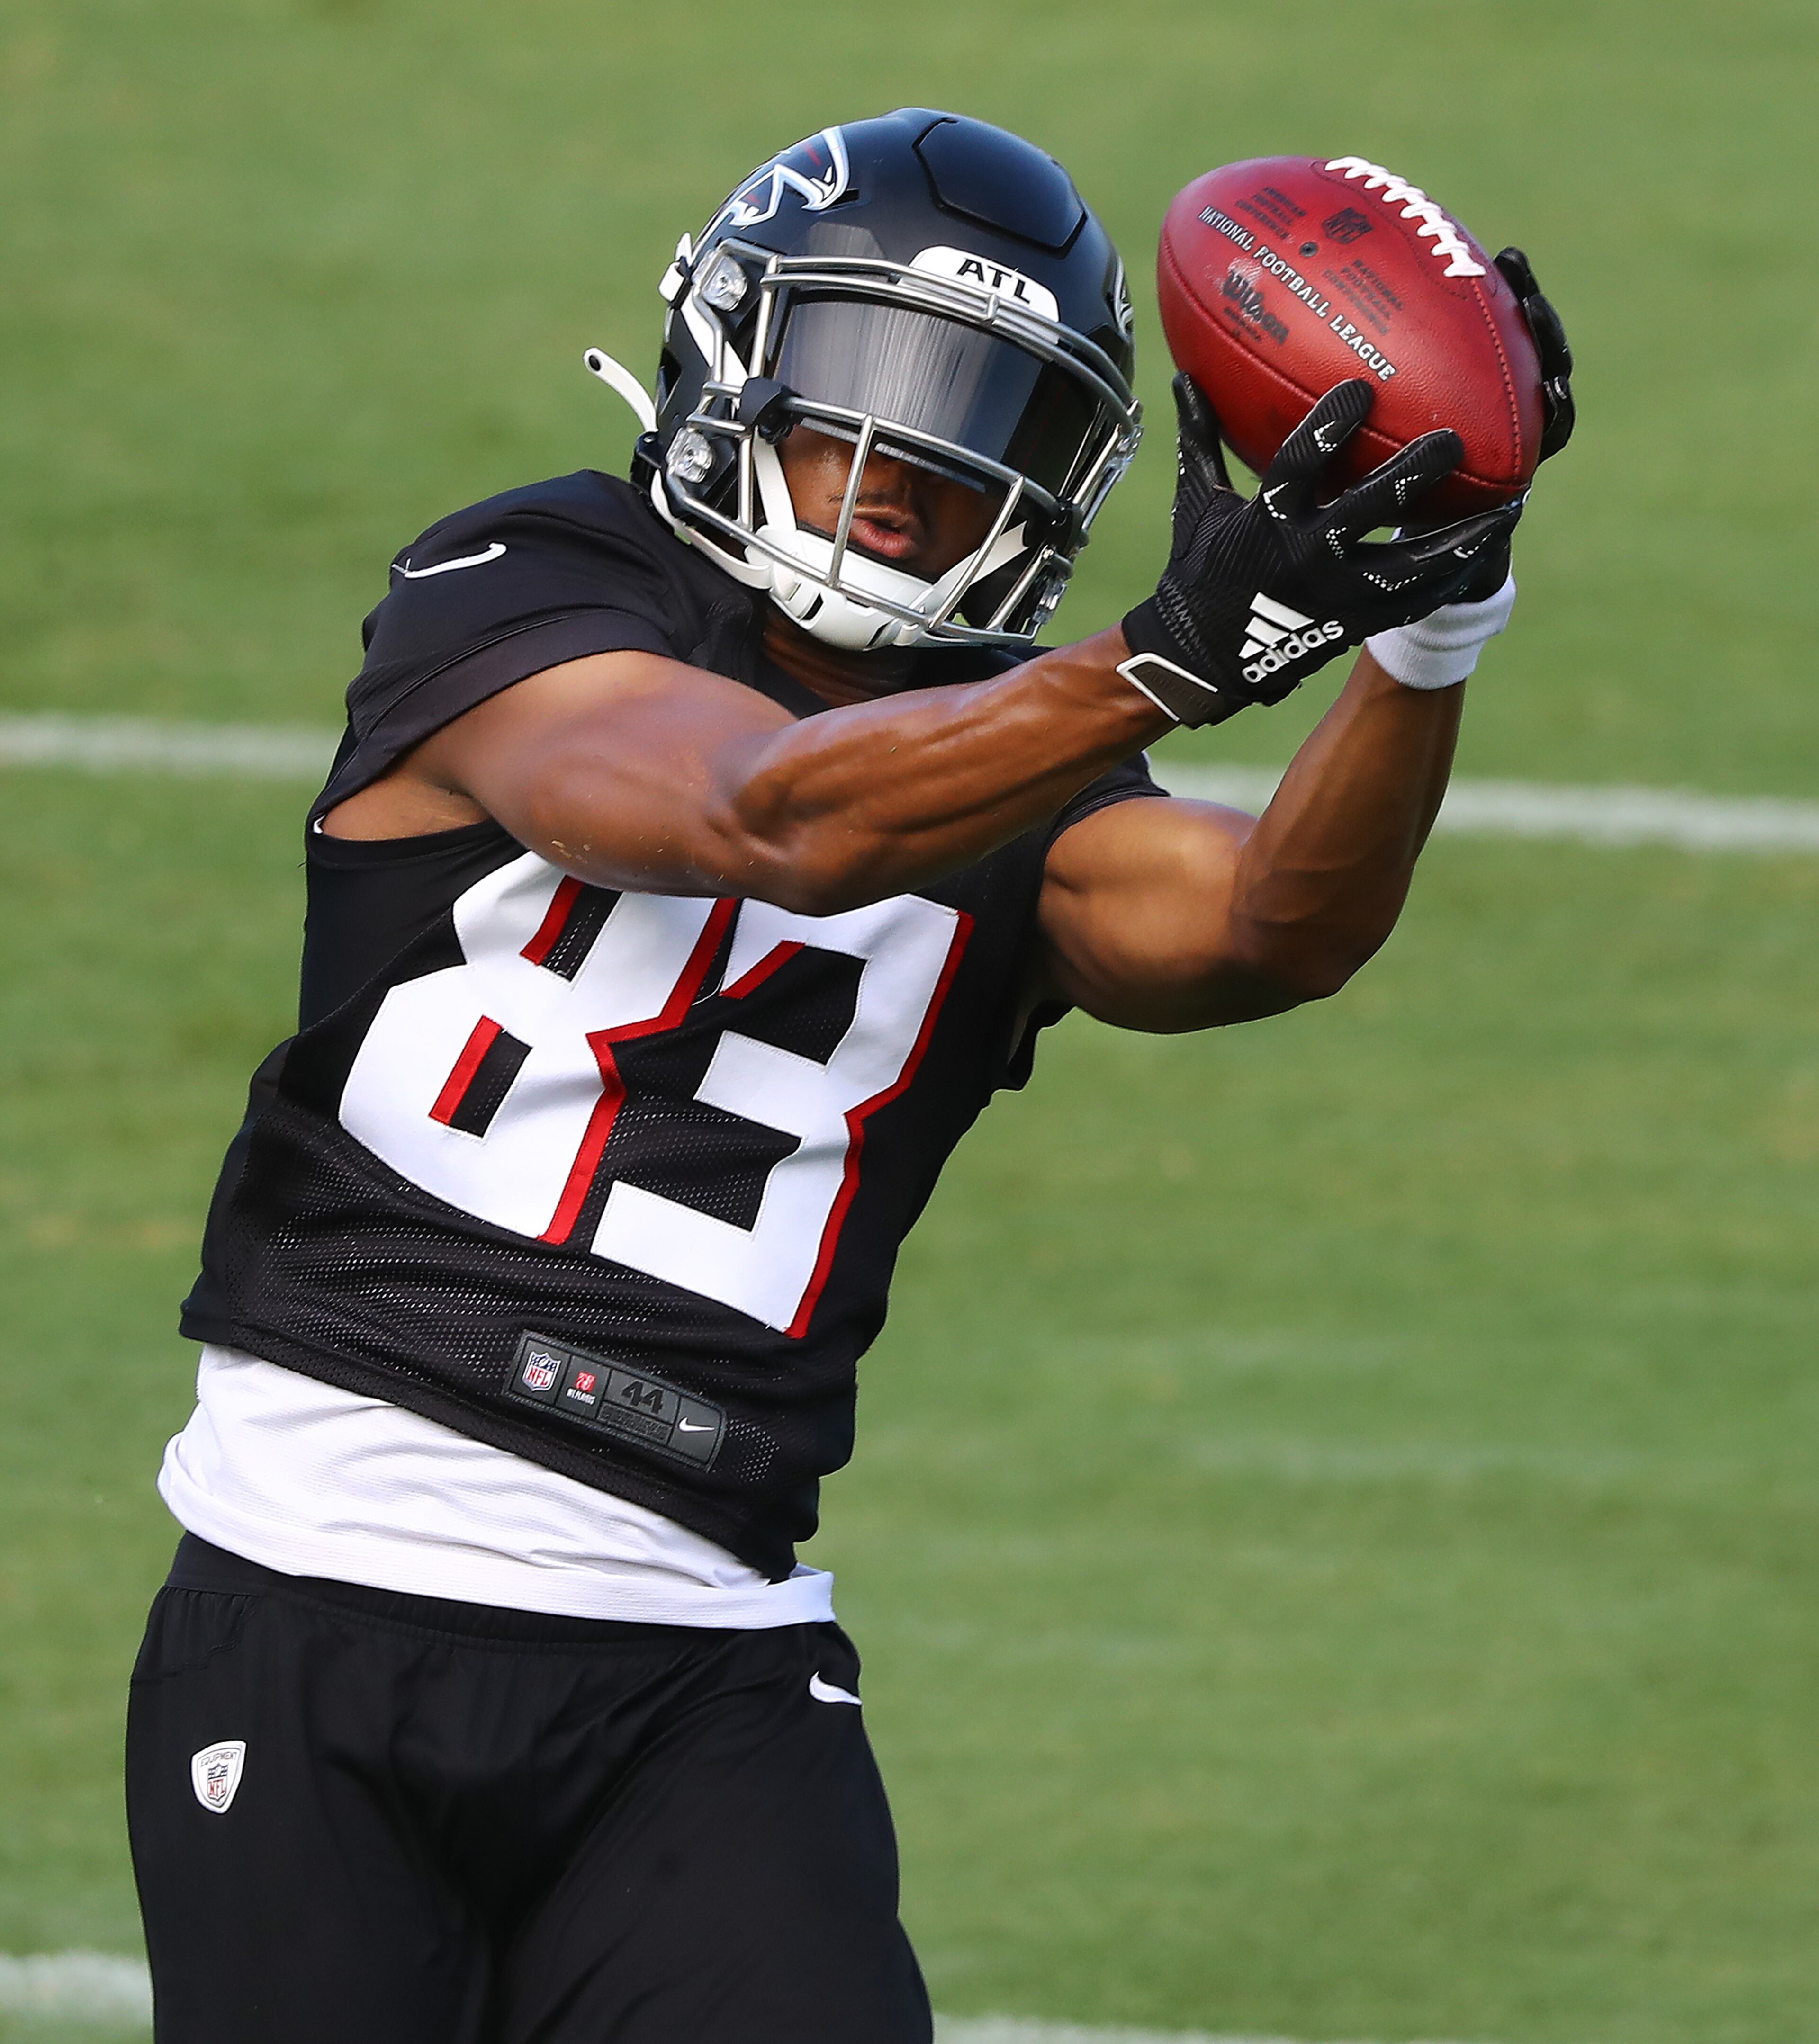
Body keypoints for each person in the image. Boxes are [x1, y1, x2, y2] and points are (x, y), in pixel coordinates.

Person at [124, 109, 1572, 2044]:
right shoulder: (531, 575)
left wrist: (1434, 620)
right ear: (737, 350)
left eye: (988, 418)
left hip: (700, 1648)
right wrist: (1160, 656)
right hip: (327, 1574)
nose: (910, 464)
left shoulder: (1025, 746)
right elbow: (768, 815)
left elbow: (1268, 928)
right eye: (870, 384)